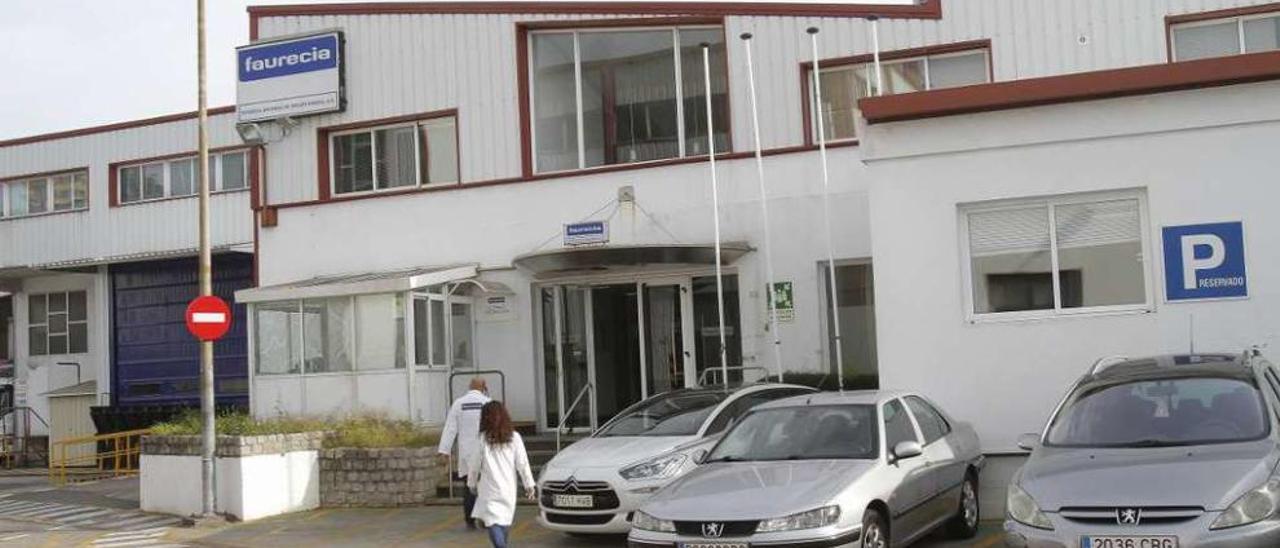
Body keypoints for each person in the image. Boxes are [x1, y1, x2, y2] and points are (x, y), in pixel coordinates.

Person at [467, 401, 536, 548]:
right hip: (508, 489)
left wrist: (471, 483)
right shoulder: (514, 437)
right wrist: (529, 484)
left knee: (493, 522)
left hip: (489, 489)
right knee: (502, 523)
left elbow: (474, 465)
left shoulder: (482, 438)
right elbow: (522, 463)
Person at [438, 377, 491, 529]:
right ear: (484, 387)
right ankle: (485, 518)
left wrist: (444, 451)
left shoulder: (459, 403)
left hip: (467, 454)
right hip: (484, 451)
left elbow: (450, 428)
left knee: (469, 486)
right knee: (485, 486)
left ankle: (469, 519)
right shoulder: (487, 403)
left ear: (469, 387)